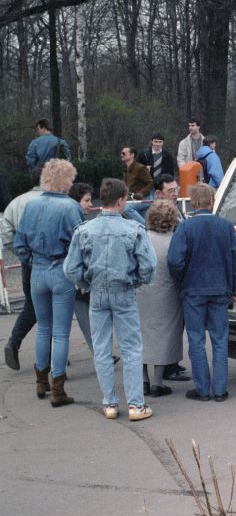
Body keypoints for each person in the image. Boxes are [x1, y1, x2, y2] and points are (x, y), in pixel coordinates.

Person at [63, 178, 156, 420]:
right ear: (120, 200)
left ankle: (110, 403)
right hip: (123, 290)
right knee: (131, 348)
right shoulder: (133, 230)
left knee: (101, 348)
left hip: (97, 293)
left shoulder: (84, 230)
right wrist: (135, 280)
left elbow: (70, 268)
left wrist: (85, 284)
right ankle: (136, 404)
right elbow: (149, 266)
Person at [12, 159, 84, 405]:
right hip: (60, 269)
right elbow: (80, 243)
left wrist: (31, 260)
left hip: (37, 269)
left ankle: (41, 381)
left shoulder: (31, 205)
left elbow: (18, 242)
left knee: (43, 327)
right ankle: (58, 389)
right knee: (61, 332)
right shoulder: (71, 207)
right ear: (67, 180)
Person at [167, 183, 236, 402]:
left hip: (193, 290)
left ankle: (202, 389)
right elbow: (234, 258)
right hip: (220, 289)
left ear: (193, 203)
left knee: (196, 339)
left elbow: (174, 260)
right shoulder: (226, 226)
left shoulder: (185, 228)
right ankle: (220, 390)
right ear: (211, 201)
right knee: (220, 340)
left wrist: (182, 280)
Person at [137, 200, 185, 397]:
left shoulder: (142, 238)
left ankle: (143, 381)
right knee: (164, 336)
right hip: (167, 293)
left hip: (141, 292)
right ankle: (158, 382)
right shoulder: (174, 240)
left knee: (140, 336)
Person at [2, 167, 43, 371]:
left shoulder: (17, 202)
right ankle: (51, 355)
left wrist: (22, 254)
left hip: (28, 261)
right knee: (55, 307)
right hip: (50, 261)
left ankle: (14, 342)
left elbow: (6, 232)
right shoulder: (54, 200)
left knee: (32, 304)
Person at [67, 182, 97, 355]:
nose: (91, 204)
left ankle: (54, 358)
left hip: (67, 278)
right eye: (87, 200)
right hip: (76, 280)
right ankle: (100, 353)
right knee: (86, 318)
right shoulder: (78, 225)